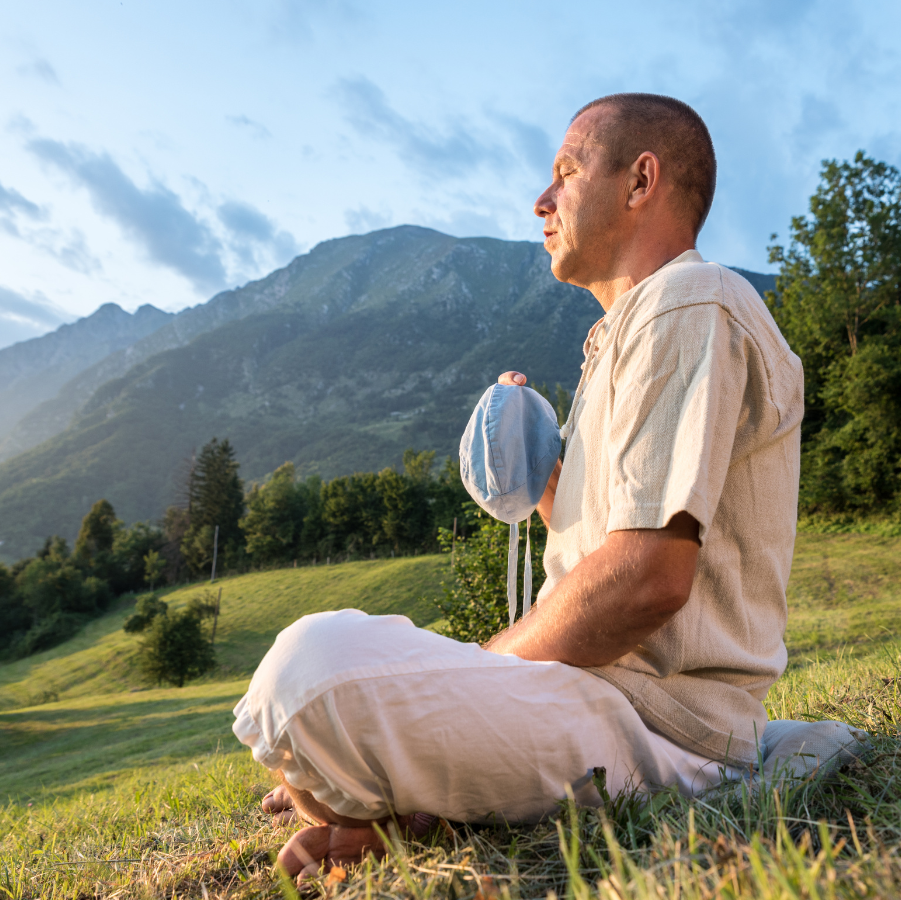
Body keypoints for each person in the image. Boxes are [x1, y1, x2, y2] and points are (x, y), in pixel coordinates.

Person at [237, 93, 852, 883]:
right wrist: (539, 471)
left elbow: (645, 579)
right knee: (327, 680)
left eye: (566, 171)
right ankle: (391, 784)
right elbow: (603, 540)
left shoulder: (690, 301)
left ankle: (386, 782)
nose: (541, 200)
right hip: (599, 700)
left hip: (656, 724)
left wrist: (480, 672)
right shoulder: (626, 331)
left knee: (308, 670)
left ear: (640, 183)